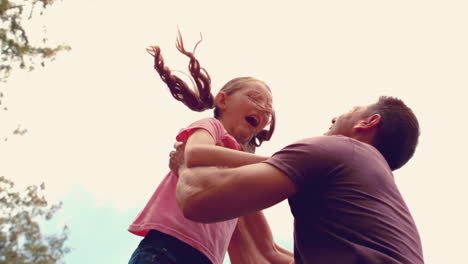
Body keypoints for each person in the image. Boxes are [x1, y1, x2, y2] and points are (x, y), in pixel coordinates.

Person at [174, 96, 424, 263]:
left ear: (368, 122)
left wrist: (184, 164)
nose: (334, 118)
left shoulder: (338, 149)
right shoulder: (369, 191)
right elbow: (264, 254)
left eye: (351, 111)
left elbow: (196, 200)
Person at [127, 32, 292, 264]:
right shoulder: (212, 127)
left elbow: (265, 247)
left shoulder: (240, 169)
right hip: (167, 247)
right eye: (255, 98)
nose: (263, 109)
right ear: (223, 101)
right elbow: (195, 154)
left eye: (269, 109)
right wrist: (278, 164)